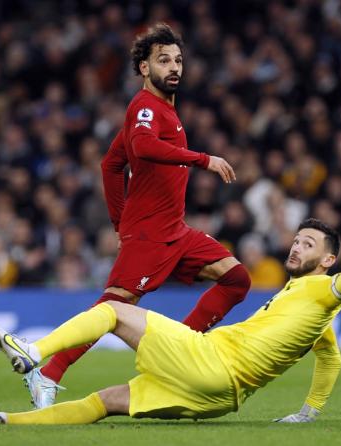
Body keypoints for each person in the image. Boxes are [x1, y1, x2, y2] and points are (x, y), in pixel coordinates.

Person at [0, 192, 341, 425]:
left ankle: (37, 354)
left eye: (308, 244)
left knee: (113, 309)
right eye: (296, 239)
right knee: (106, 401)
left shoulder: (326, 290)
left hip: (212, 363)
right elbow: (331, 359)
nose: (296, 246)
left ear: (329, 260)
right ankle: (1, 421)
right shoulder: (315, 316)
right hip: (219, 400)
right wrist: (309, 413)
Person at [23, 23, 251, 408]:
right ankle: (48, 372)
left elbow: (111, 165)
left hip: (175, 232)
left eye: (178, 60)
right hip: (150, 235)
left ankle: (179, 351)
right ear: (144, 68)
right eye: (164, 60)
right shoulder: (145, 108)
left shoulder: (162, 111)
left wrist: (117, 223)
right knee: (112, 308)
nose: (174, 67)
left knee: (236, 279)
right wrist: (204, 159)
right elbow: (144, 147)